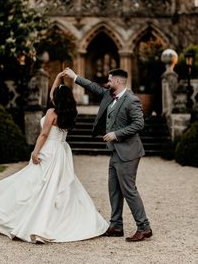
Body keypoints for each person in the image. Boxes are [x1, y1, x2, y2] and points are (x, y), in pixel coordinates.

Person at [0, 72, 108, 243]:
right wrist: (59, 78)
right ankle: (55, 220)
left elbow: (43, 135)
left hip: (48, 150)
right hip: (61, 151)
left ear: (57, 99)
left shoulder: (51, 112)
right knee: (56, 187)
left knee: (34, 185)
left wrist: (35, 152)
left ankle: (30, 222)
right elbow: (54, 93)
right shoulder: (69, 113)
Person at [63, 67, 152, 242]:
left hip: (128, 152)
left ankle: (144, 227)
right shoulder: (109, 95)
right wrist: (75, 77)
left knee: (129, 190)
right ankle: (116, 225)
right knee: (114, 190)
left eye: (110, 80)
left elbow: (139, 124)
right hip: (115, 152)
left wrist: (116, 134)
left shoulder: (131, 100)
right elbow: (93, 87)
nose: (107, 83)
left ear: (118, 82)